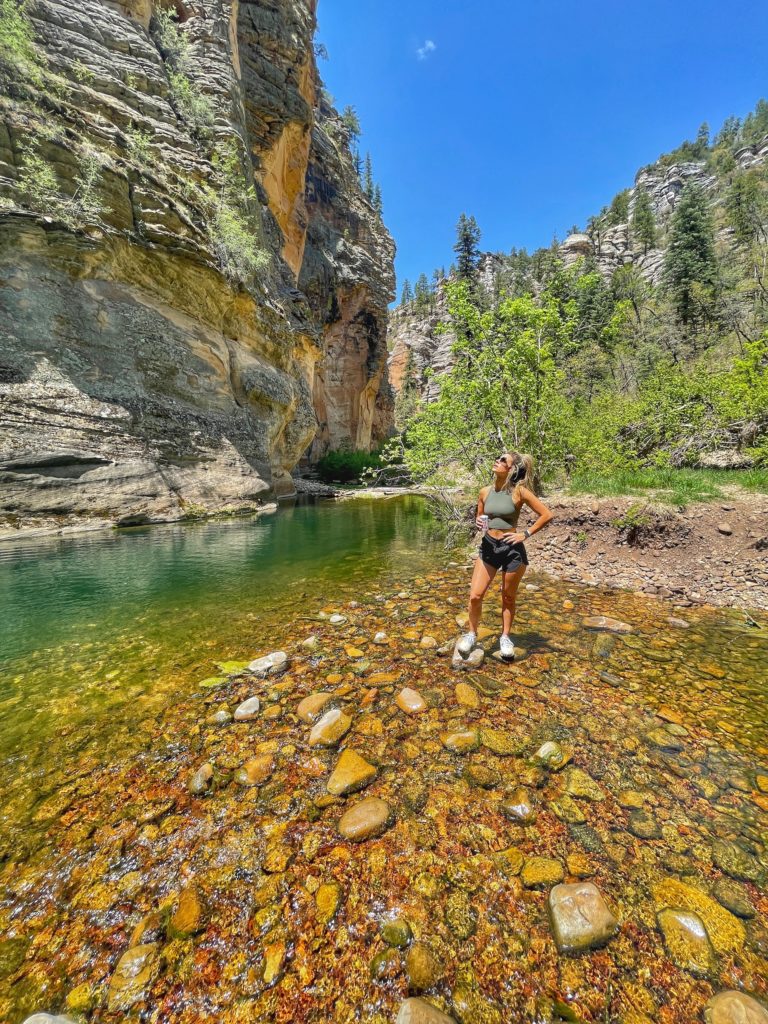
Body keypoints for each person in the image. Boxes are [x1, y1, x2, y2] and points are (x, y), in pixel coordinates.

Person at [457, 451, 553, 660]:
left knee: (508, 598)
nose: (497, 461)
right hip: (489, 546)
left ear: (511, 469)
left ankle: (505, 637)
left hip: (512, 551)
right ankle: (472, 634)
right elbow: (480, 517)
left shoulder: (520, 492)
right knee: (475, 596)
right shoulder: (484, 492)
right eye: (498, 459)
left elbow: (546, 514)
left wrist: (525, 534)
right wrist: (480, 524)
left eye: (503, 461)